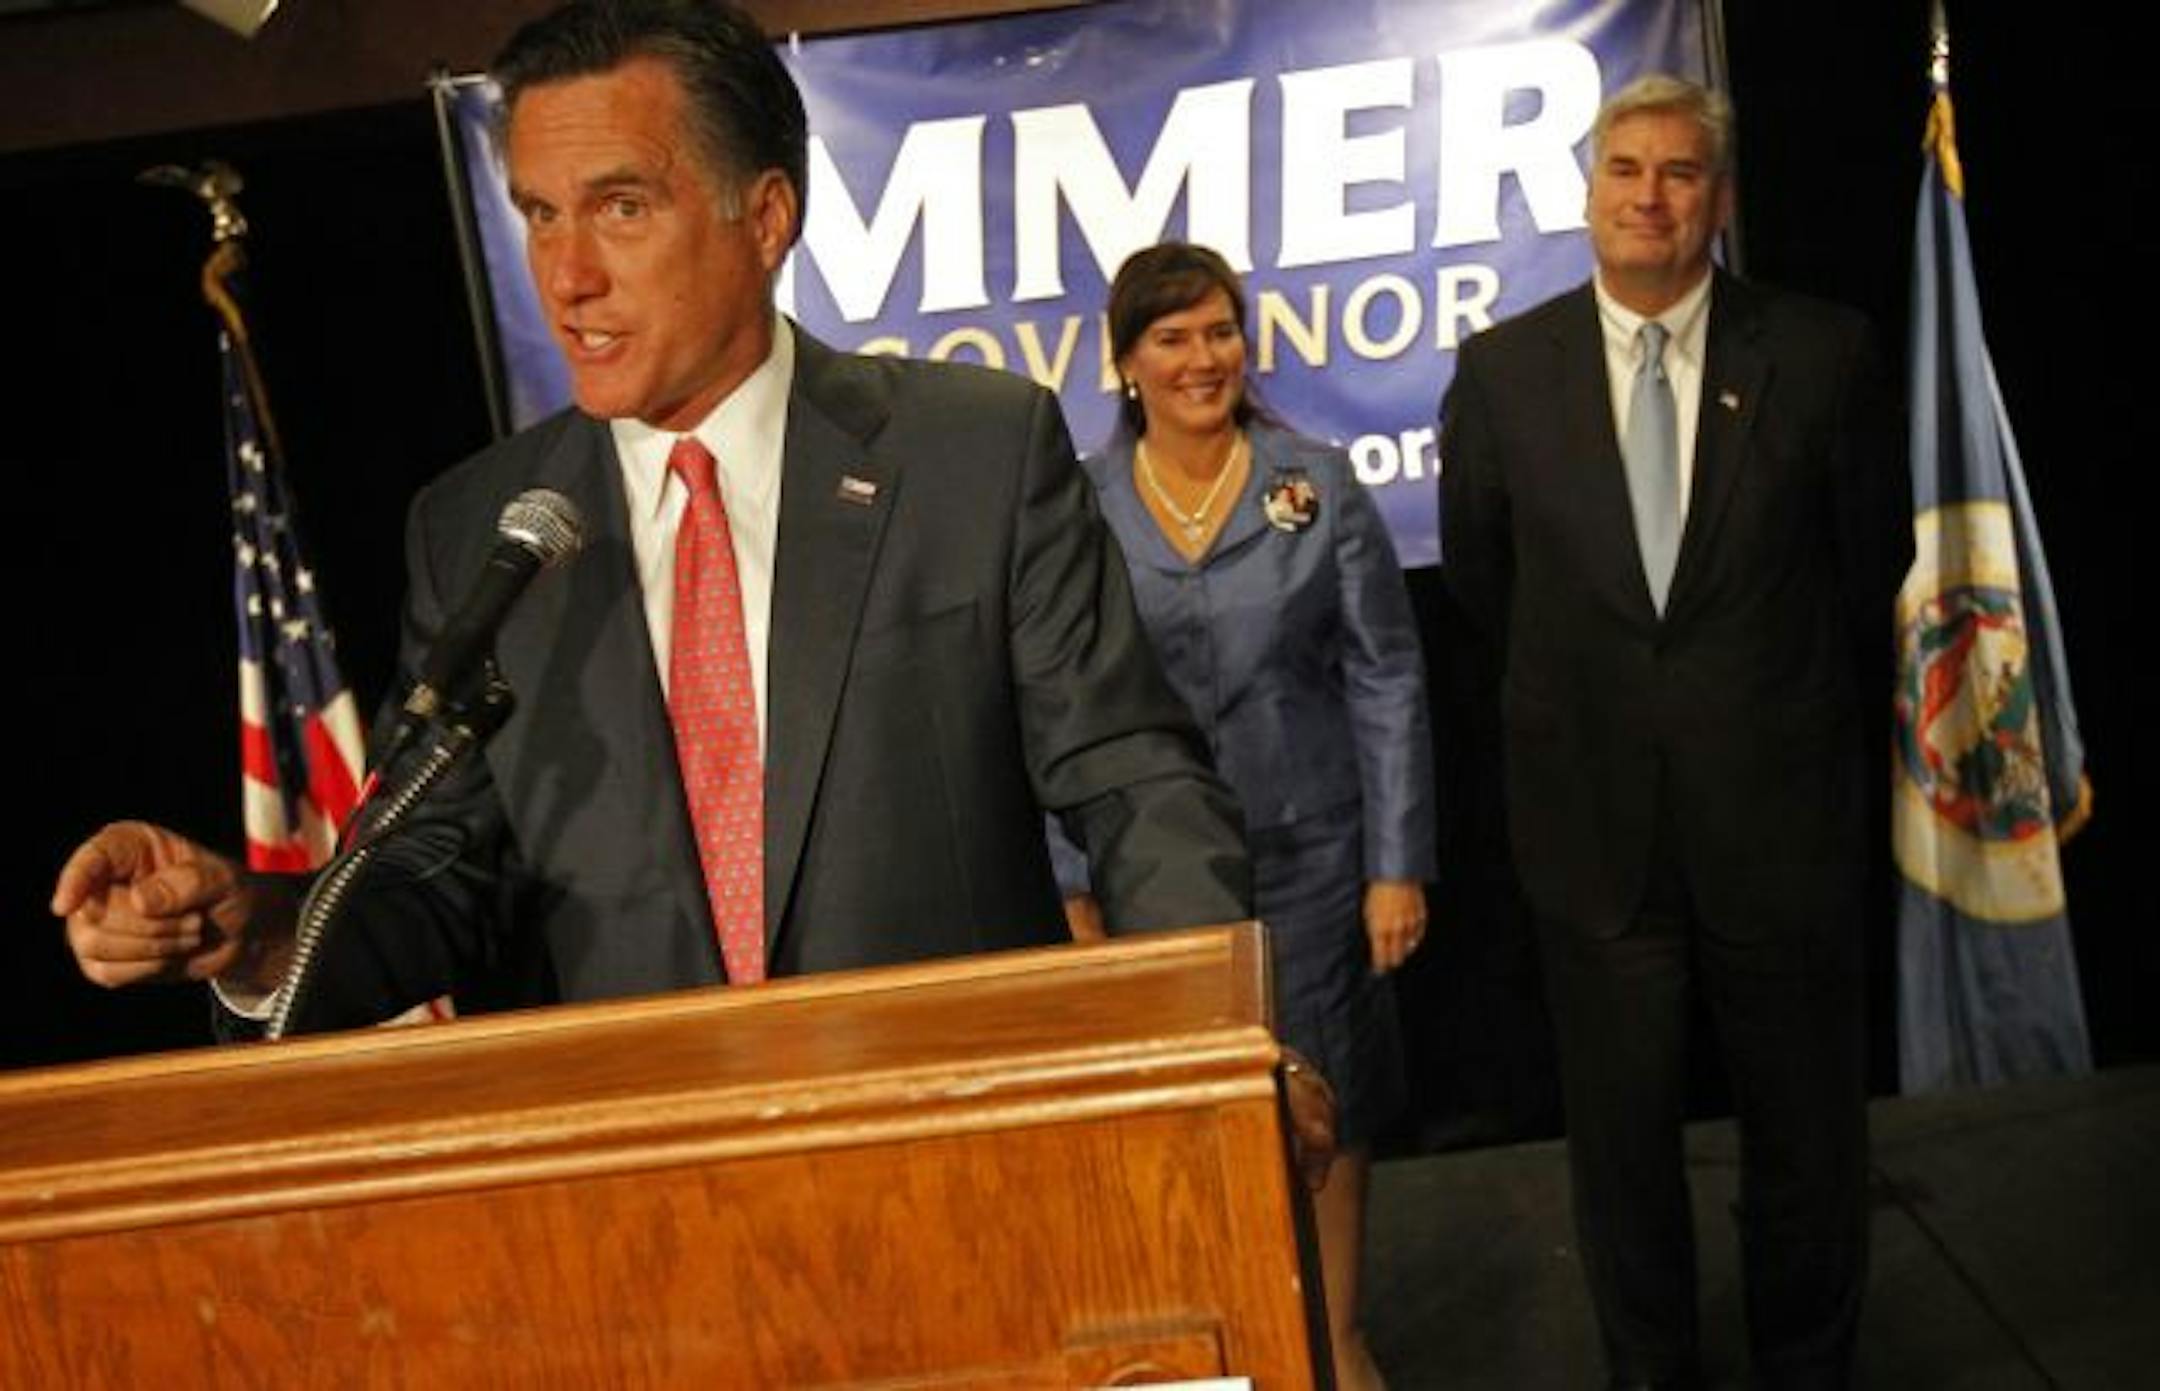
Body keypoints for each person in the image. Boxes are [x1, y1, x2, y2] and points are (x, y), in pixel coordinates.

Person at [50, 0, 1250, 1034]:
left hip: (950, 1143)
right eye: (539, 215)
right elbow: (440, 876)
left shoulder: (972, 451)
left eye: (619, 208)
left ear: (766, 216)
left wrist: (1207, 1044)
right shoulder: (482, 527)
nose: (567, 275)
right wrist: (254, 928)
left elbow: (1136, 784)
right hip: (636, 1203)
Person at [1438, 75, 1910, 1390]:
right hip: (1594, 835)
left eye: (1680, 173)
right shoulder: (1502, 371)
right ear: (1588, 195)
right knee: (1621, 1145)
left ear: (1721, 196)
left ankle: (1808, 1365)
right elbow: (1488, 580)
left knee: (1809, 1140)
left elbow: (1868, 559)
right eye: (1625, 170)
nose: (1651, 196)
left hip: (1780, 824)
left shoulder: (1823, 354)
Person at [1056, 242, 1436, 1391]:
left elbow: (1386, 674)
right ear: (1126, 361)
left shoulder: (1313, 484)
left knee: (1333, 1110)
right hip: (1145, 883)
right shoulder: (1075, 505)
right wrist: (1071, 879)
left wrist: (1395, 864)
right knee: (1177, 1131)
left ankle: (1336, 1334)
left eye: (1219, 330)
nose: (1201, 357)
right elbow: (1053, 702)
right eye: (1171, 336)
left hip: (1317, 867)